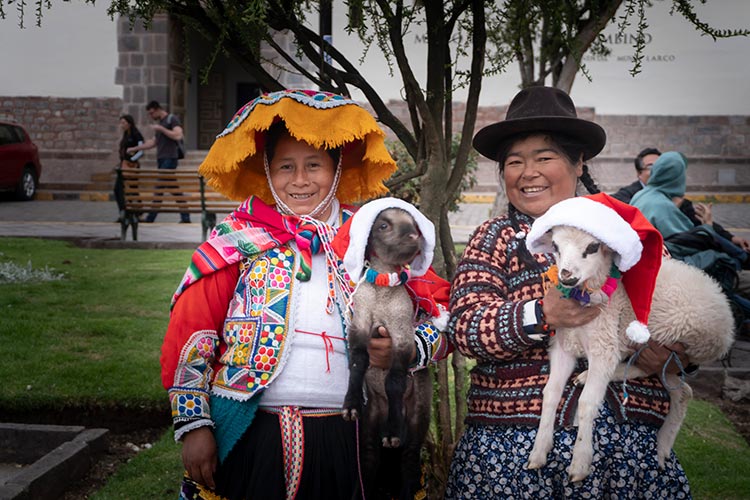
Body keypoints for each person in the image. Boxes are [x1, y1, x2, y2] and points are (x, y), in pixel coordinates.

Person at [160, 89, 451, 500]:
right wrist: (194, 424)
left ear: (336, 169)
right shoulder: (236, 238)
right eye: (285, 167)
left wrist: (404, 351)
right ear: (267, 171)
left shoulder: (373, 233)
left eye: (313, 165)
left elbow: (441, 321)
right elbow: (192, 332)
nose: (299, 180)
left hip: (357, 433)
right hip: (252, 434)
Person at [445, 86, 692, 498]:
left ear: (579, 163)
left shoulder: (626, 235)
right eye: (515, 162)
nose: (529, 172)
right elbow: (466, 329)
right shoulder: (495, 238)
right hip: (513, 450)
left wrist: (674, 354)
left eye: (545, 158)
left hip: (626, 450)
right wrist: (540, 315)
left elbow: (671, 309)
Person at [631, 151, 750, 329]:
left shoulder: (643, 195)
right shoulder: (662, 205)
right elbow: (694, 240)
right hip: (671, 272)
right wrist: (707, 225)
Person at [614, 147, 750, 251]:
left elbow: (696, 220)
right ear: (639, 173)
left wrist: (731, 238)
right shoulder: (638, 196)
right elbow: (692, 242)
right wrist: (707, 228)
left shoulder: (664, 197)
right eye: (652, 166)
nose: (659, 169)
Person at [126, 100, 190, 223]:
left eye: (151, 113)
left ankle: (150, 218)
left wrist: (161, 129)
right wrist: (135, 148)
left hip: (170, 158)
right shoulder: (160, 123)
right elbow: (153, 142)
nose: (151, 116)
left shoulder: (172, 119)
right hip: (161, 159)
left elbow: (178, 135)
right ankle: (185, 217)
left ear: (157, 109)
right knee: (175, 190)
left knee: (159, 188)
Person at [113, 114, 144, 222]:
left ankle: (136, 212)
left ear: (129, 123)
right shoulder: (126, 134)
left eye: (124, 123)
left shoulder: (136, 134)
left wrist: (132, 160)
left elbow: (141, 151)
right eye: (121, 123)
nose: (122, 125)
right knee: (120, 190)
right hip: (123, 166)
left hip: (131, 166)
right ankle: (125, 211)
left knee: (131, 189)